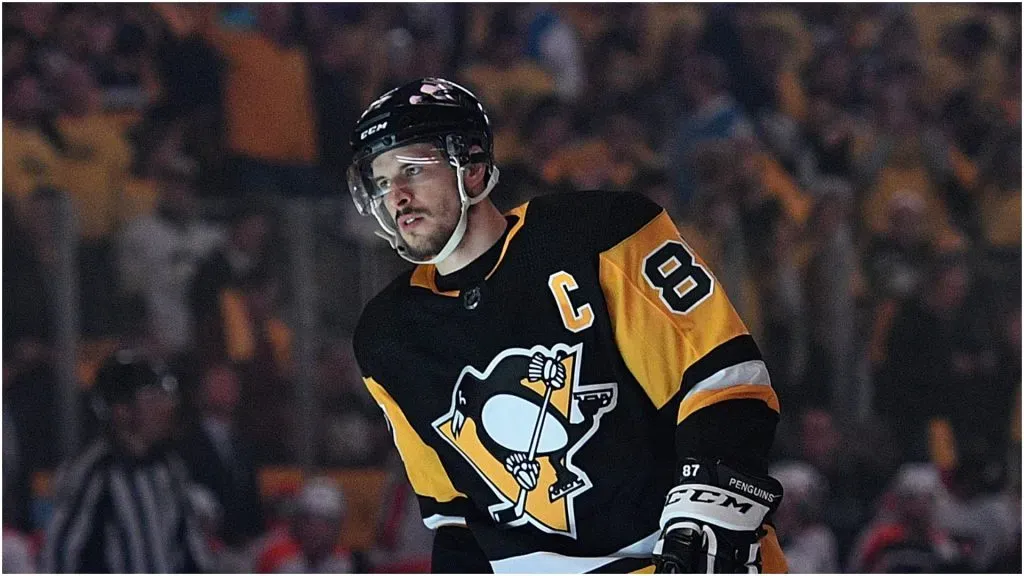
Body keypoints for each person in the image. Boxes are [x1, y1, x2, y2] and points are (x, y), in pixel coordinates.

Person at [348, 77, 787, 573]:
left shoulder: (599, 234)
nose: (397, 197)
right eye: (383, 182)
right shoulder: (389, 337)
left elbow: (724, 385)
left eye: (411, 169)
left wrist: (705, 520)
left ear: (470, 165)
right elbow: (456, 520)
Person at [39, 350, 210, 573]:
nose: (167, 407)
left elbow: (189, 547)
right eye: (153, 398)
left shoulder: (168, 467)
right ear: (121, 410)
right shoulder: (93, 472)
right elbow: (63, 556)